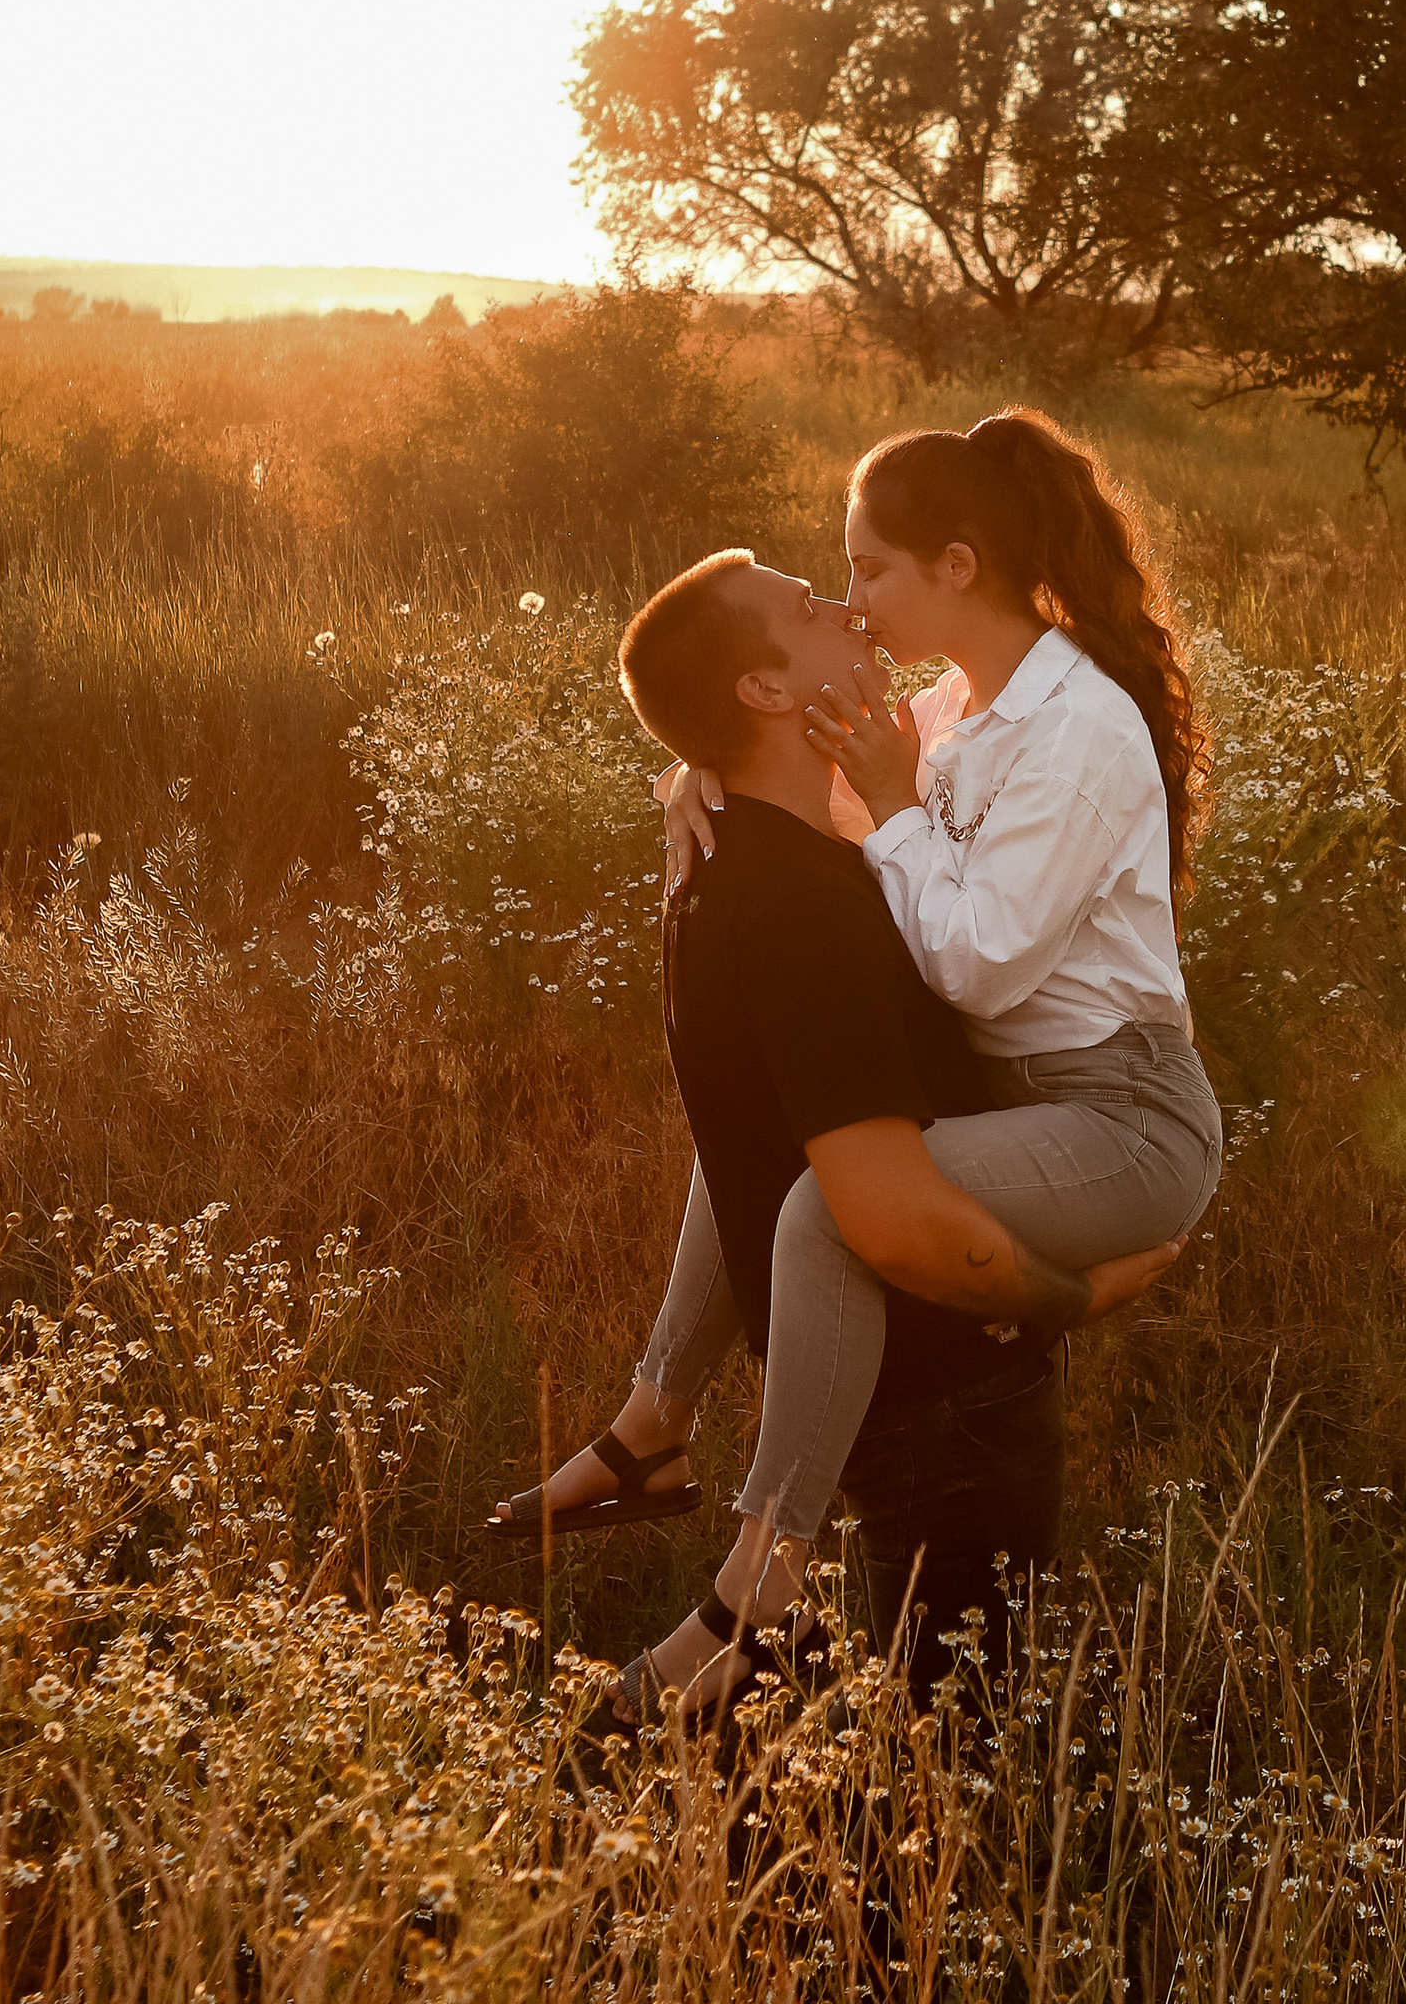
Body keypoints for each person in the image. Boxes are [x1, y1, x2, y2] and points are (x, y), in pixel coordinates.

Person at [506, 408, 1219, 1719]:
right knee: (798, 1135)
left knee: (831, 1211)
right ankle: (657, 1417)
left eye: (868, 569)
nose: (849, 597)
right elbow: (814, 779)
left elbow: (979, 961)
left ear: (956, 568)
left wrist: (891, 800)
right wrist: (696, 768)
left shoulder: (1076, 730)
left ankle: (752, 1585)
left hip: (1120, 1116)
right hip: (1026, 1102)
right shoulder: (960, 702)